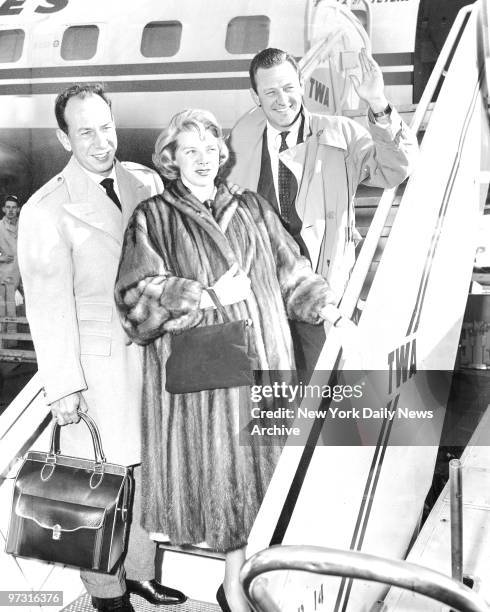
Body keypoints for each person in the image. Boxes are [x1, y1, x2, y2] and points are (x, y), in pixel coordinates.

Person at [114, 109, 354, 612]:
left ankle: (236, 591)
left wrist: (327, 308)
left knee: (262, 499)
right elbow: (134, 301)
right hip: (208, 384)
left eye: (209, 149)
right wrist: (202, 295)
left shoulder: (252, 208)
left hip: (266, 363)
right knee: (228, 497)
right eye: (190, 150)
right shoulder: (153, 216)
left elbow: (292, 271)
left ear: (222, 156)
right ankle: (238, 595)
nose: (202, 159)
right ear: (171, 159)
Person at [18, 84, 186, 612]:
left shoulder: (146, 181)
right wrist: (64, 386)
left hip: (153, 359)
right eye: (84, 131)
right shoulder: (47, 208)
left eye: (105, 127)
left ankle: (138, 573)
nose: (100, 141)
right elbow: (47, 305)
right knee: (97, 486)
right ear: (64, 137)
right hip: (96, 368)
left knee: (147, 475)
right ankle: (107, 595)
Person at [228, 47, 418, 376]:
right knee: (273, 405)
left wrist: (378, 103)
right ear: (254, 95)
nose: (282, 99)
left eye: (288, 88)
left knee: (325, 398)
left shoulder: (340, 134)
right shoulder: (237, 144)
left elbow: (396, 169)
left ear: (301, 84)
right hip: (262, 302)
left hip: (322, 295)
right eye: (270, 91)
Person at [0, 195, 22, 305]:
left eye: (14, 207)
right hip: (6, 274)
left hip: (25, 274)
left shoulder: (25, 225)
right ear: (3, 209)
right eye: (8, 207)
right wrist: (1, 258)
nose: (11, 210)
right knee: (7, 312)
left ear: (18, 209)